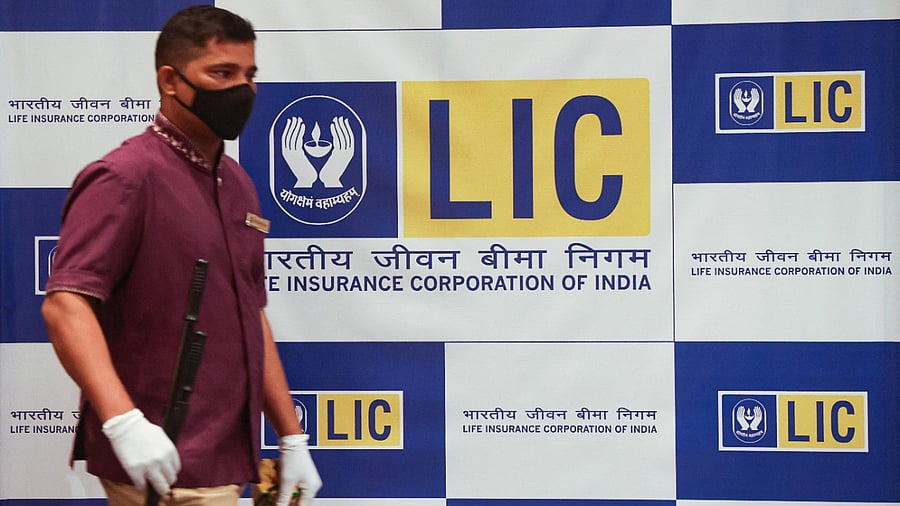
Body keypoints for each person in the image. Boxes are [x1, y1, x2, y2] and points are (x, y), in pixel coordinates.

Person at [40, 5, 321, 505]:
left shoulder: (236, 183)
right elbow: (66, 304)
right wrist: (125, 423)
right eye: (222, 73)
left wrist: (291, 435)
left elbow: (249, 313)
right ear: (170, 80)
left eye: (249, 74)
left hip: (226, 457)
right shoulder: (126, 176)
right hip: (162, 458)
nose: (243, 89)